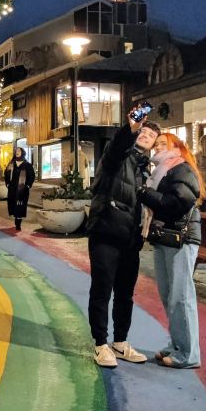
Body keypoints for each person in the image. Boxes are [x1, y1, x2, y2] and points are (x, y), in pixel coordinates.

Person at [85, 112, 160, 368]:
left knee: (125, 294)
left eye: (152, 136)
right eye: (144, 132)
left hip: (130, 239)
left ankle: (120, 342)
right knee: (102, 290)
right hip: (106, 231)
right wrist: (130, 127)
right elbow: (118, 145)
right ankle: (100, 344)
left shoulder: (145, 169)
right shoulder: (117, 157)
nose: (147, 136)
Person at [140, 132, 205, 370]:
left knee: (181, 296)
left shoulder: (181, 168)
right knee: (169, 294)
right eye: (155, 145)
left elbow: (178, 202)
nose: (157, 148)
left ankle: (188, 354)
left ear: (176, 147)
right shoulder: (161, 171)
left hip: (182, 237)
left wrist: (144, 193)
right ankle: (177, 345)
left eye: (162, 144)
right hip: (165, 236)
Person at [4, 146, 36, 231]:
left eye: (19, 150)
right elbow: (6, 174)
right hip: (12, 189)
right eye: (16, 150)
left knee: (20, 206)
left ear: (22, 152)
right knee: (13, 205)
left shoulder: (27, 165)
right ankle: (16, 219)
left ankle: (18, 223)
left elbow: (32, 176)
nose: (17, 152)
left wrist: (28, 186)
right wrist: (7, 184)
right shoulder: (11, 164)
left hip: (22, 190)